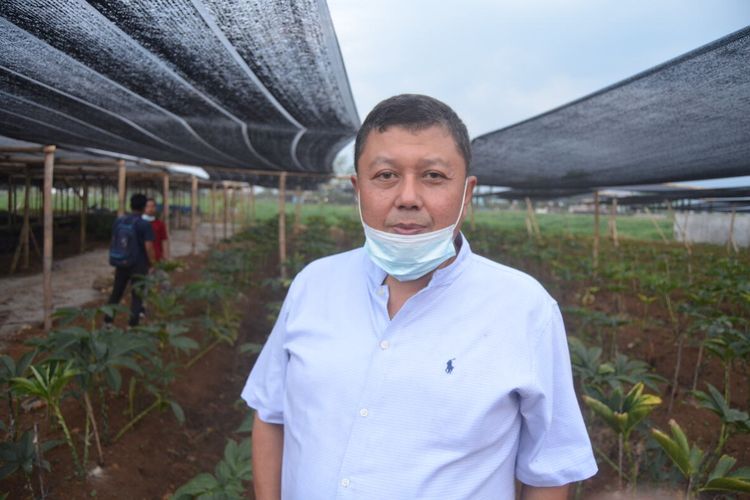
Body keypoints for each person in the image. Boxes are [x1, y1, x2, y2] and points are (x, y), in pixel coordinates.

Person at [242, 94, 597, 499]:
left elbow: (549, 470)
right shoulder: (313, 285)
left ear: (467, 193)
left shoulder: (524, 308)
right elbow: (271, 415)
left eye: (433, 176)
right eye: (386, 175)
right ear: (358, 189)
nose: (408, 197)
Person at [104, 193, 155, 327]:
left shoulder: (119, 221)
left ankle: (108, 322)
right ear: (144, 207)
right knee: (137, 296)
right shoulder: (145, 224)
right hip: (138, 265)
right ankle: (132, 325)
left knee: (116, 292)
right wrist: (152, 263)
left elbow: (114, 240)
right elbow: (148, 247)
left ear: (130, 205)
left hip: (121, 261)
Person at [144, 198, 169, 262]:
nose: (150, 209)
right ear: (144, 208)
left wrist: (165, 255)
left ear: (156, 208)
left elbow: (164, 240)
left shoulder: (160, 224)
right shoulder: (140, 223)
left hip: (157, 257)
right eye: (148, 206)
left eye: (152, 206)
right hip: (142, 258)